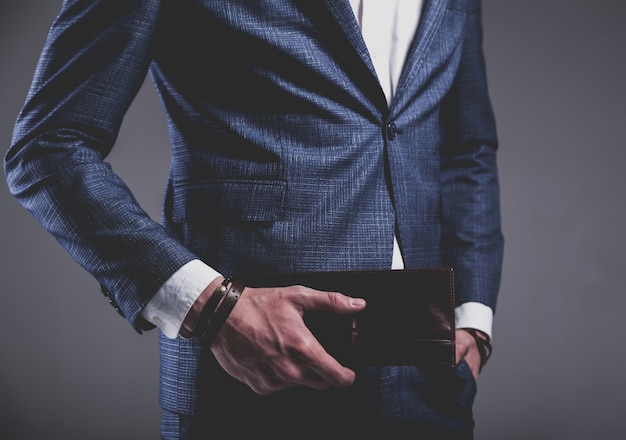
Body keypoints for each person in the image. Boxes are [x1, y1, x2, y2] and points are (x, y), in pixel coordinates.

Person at [4, 0, 503, 438]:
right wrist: (209, 308)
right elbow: (48, 148)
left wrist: (474, 321)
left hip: (430, 384)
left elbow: (466, 148)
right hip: (250, 382)